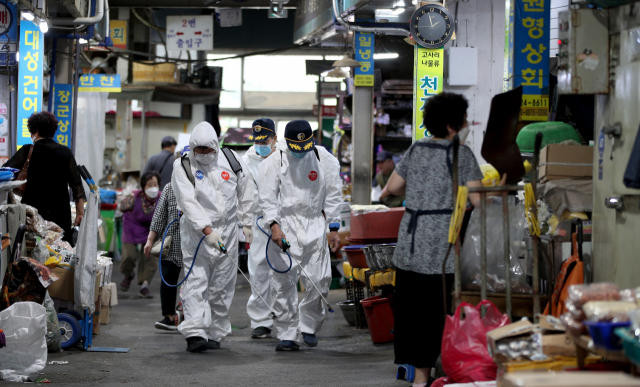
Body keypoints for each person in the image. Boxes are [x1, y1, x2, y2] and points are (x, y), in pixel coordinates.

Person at [385, 93, 504, 387]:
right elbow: (478, 200)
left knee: (411, 312)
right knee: (435, 313)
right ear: (452, 126)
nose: (466, 124)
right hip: (441, 247)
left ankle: (419, 377)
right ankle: (433, 375)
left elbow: (392, 187)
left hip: (411, 243)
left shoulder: (416, 148)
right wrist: (501, 186)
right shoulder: (461, 155)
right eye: (463, 119)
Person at [257, 120, 342, 352]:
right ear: (288, 142)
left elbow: (334, 192)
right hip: (285, 224)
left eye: (306, 146)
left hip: (315, 223)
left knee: (320, 280)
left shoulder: (324, 158)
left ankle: (308, 326)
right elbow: (267, 197)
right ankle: (287, 334)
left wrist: (333, 227)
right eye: (297, 147)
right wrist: (274, 225)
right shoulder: (275, 160)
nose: (302, 152)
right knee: (283, 282)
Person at [171, 121, 251, 353]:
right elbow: (187, 200)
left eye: (208, 149)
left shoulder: (231, 160)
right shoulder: (183, 165)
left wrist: (247, 223)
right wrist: (206, 229)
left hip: (227, 231)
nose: (204, 154)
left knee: (222, 285)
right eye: (200, 150)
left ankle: (215, 332)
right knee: (195, 281)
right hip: (196, 233)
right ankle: (195, 332)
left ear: (216, 146)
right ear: (193, 147)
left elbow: (245, 191)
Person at [3, 111, 85, 243]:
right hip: (60, 215)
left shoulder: (27, 150)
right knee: (58, 254)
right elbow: (77, 186)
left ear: (35, 131)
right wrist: (80, 213)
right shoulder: (65, 152)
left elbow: (5, 174)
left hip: (33, 215)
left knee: (31, 253)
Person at [241, 118, 278, 339]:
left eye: (265, 140)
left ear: (275, 138)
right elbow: (245, 195)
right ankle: (261, 321)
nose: (261, 144)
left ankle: (285, 316)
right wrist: (246, 223)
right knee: (259, 271)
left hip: (284, 221)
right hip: (258, 221)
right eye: (257, 140)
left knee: (284, 270)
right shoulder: (247, 161)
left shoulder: (285, 157)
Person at [144, 156, 183, 331]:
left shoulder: (201, 187)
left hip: (195, 243)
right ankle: (168, 316)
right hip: (172, 243)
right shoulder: (168, 188)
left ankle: (189, 315)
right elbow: (158, 218)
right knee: (167, 279)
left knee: (196, 282)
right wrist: (149, 240)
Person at [119, 171, 162, 298]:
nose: (153, 187)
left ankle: (145, 285)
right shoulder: (134, 196)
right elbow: (121, 206)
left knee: (151, 257)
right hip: (132, 227)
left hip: (152, 228)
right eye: (149, 185)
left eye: (155, 184)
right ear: (143, 186)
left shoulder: (162, 198)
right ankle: (128, 274)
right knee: (128, 256)